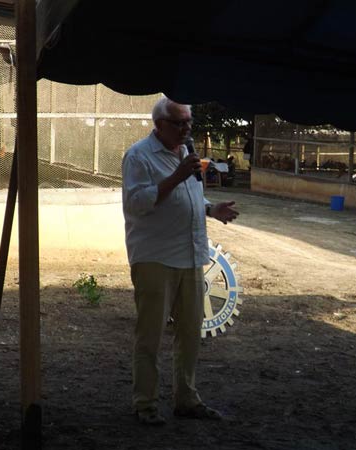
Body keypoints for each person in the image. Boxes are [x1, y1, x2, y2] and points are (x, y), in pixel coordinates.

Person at [121, 97, 239, 425]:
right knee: (151, 335)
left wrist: (210, 209)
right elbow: (137, 203)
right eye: (179, 123)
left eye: (189, 121)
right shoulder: (139, 156)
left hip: (190, 255)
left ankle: (186, 398)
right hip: (156, 258)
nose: (186, 128)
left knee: (189, 333)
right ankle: (145, 404)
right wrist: (176, 176)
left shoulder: (184, 153)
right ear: (159, 124)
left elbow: (190, 196)